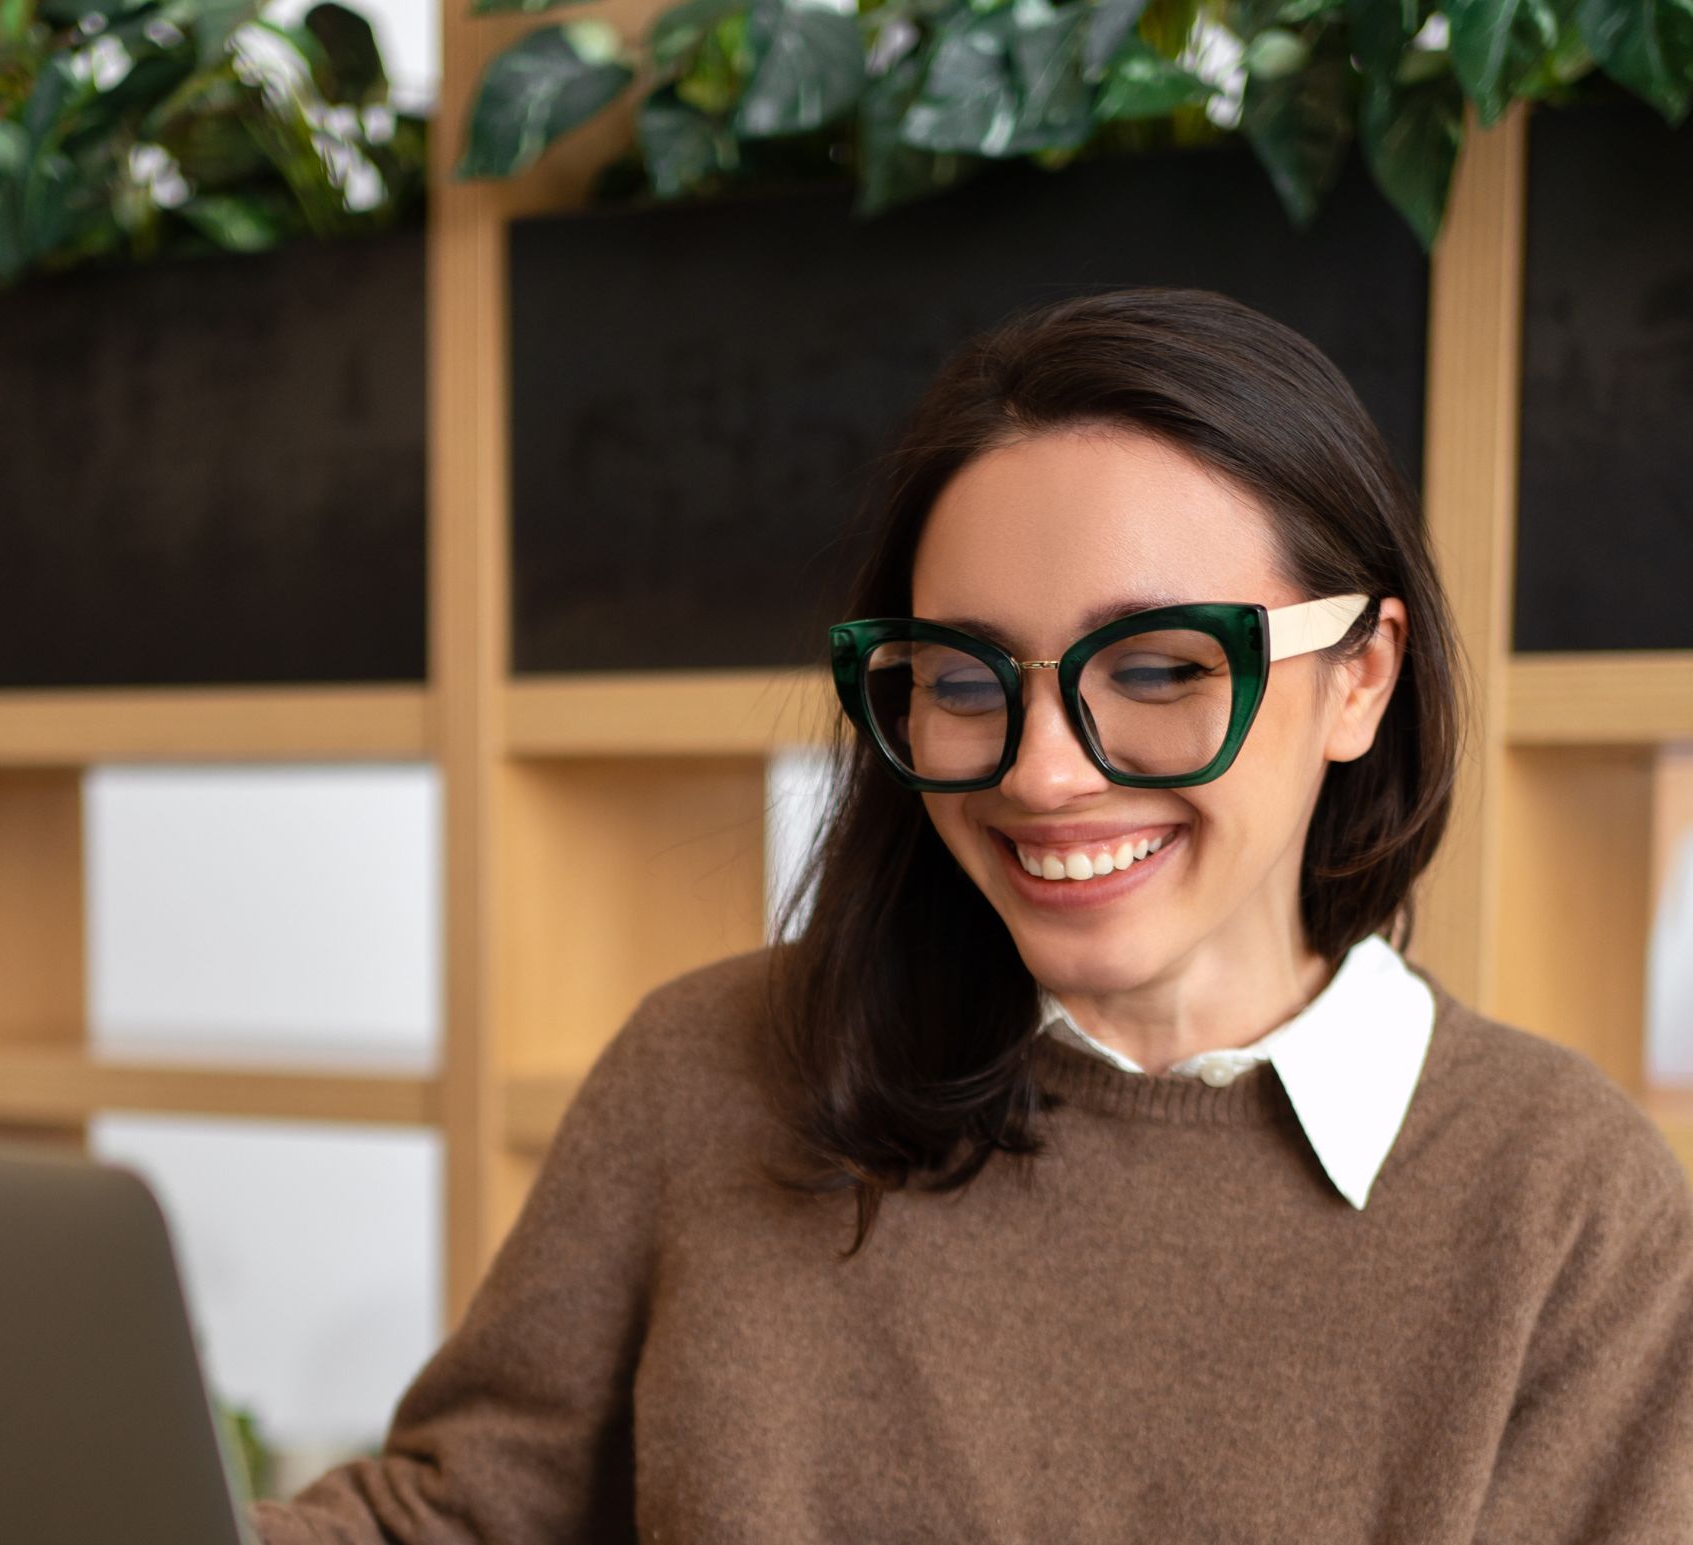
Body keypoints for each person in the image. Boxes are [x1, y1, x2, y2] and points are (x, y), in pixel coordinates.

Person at [251, 287, 1693, 1543]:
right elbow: (457, 1523)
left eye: (1159, 668)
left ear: (1362, 676)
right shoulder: (710, 1071)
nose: (1046, 770)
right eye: (963, 681)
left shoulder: (1566, 1206)